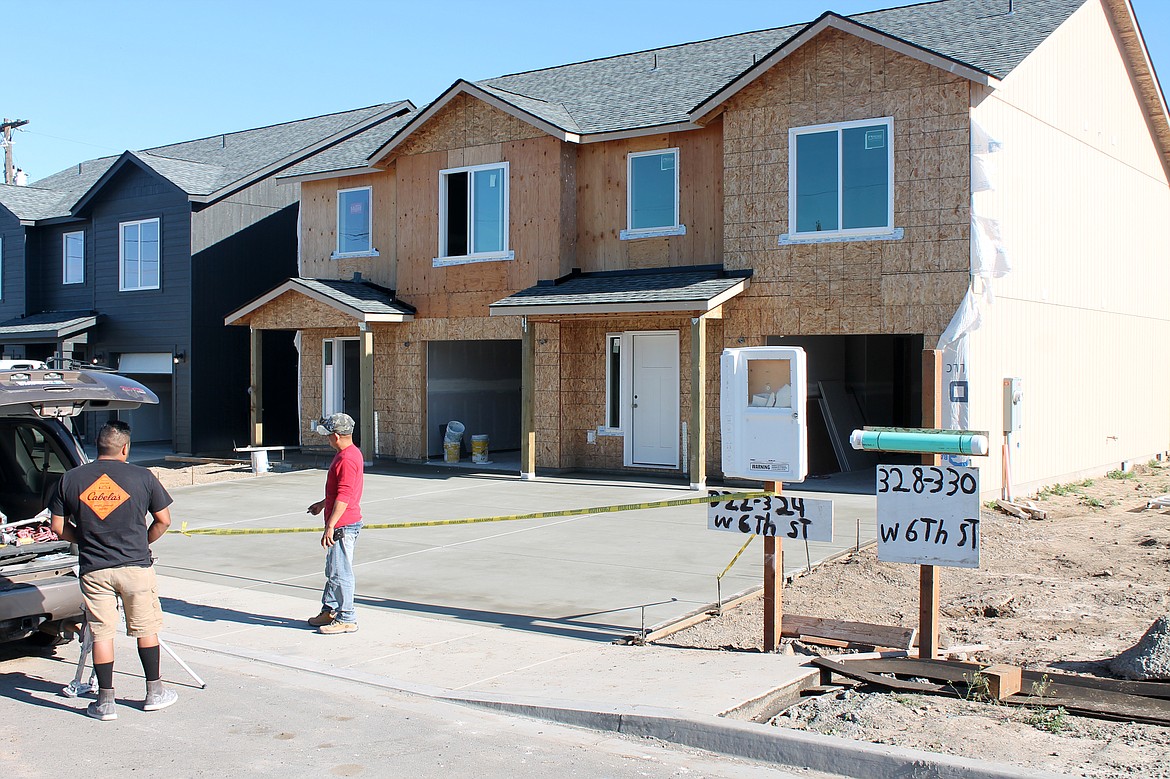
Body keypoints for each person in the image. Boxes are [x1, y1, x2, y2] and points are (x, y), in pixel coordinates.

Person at [48, 420, 177, 721]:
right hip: (135, 566)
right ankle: (154, 693)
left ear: (98, 445)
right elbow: (164, 520)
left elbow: (56, 527)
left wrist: (83, 538)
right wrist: (142, 542)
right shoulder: (142, 477)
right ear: (125, 447)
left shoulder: (71, 479)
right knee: (146, 628)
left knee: (103, 632)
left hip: (94, 569)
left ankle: (105, 703)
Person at [306, 412, 364, 635]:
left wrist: (331, 525)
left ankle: (347, 617)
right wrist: (322, 504)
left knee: (341, 572)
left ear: (337, 436)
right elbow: (339, 491)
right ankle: (329, 610)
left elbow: (345, 494)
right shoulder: (348, 454)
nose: (328, 439)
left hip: (343, 524)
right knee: (333, 569)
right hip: (342, 520)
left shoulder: (348, 459)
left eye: (329, 435)